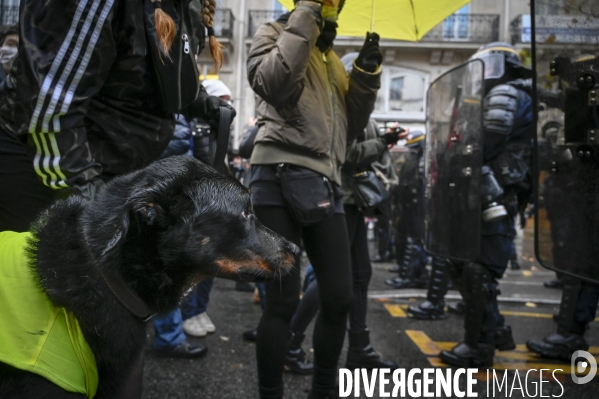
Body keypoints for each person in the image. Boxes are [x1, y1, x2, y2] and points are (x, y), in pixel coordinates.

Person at [0, 0, 232, 395]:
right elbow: (47, 112)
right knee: (44, 357)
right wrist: (96, 207)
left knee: (120, 348)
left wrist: (206, 105)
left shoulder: (179, 6)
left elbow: (153, 75)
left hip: (106, 174)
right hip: (45, 168)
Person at [246, 0, 382, 397]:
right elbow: (273, 83)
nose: (331, 7)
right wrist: (305, 17)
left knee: (339, 297)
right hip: (275, 175)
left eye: (335, 4)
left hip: (325, 181)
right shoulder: (272, 33)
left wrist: (366, 76)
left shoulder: (332, 60)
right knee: (282, 301)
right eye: (324, 2)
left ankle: (322, 391)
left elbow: (350, 128)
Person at [436, 42, 533, 367]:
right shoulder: (496, 95)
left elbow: (488, 136)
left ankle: (478, 347)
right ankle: (495, 331)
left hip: (495, 195)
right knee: (462, 264)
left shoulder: (506, 92)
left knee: (478, 270)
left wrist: (457, 151)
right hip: (482, 193)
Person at [385, 131, 429, 289]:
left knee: (415, 242)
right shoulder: (412, 161)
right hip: (408, 205)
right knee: (409, 239)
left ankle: (410, 275)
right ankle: (414, 274)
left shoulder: (424, 163)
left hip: (418, 206)